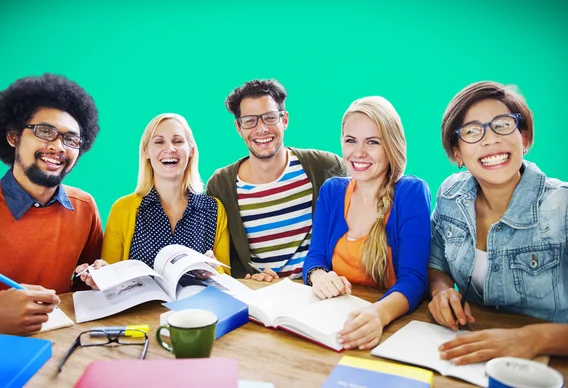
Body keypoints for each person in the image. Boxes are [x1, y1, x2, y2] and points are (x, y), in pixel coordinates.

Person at [428, 81, 568, 365]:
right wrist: (441, 291)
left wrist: (533, 339)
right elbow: (437, 264)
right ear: (457, 153)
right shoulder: (451, 195)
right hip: (473, 351)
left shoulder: (562, 207)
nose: (490, 140)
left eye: (503, 125)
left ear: (524, 138)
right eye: (472, 131)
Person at [0, 73, 102, 335]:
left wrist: (97, 279)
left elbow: (82, 287)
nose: (58, 146)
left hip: (62, 347)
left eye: (71, 139)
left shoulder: (85, 208)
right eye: (45, 131)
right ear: (13, 136)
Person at [302, 96, 431, 350]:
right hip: (334, 325)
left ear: (391, 146)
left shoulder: (410, 192)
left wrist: (378, 315)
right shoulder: (332, 191)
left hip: (391, 328)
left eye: (372, 142)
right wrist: (318, 276)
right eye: (351, 140)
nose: (358, 153)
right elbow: (315, 256)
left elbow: (415, 279)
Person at [206, 79, 347, 280]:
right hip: (262, 299)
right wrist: (248, 279)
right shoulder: (220, 185)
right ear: (239, 128)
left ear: (285, 120)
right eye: (249, 121)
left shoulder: (326, 167)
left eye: (270, 118)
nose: (261, 129)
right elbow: (227, 256)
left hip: (320, 290)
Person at [77, 113, 230, 288]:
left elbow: (228, 279)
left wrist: (213, 271)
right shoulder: (123, 209)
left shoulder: (214, 209)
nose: (170, 148)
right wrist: (101, 276)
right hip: (141, 313)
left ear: (192, 150)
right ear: (146, 151)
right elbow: (110, 275)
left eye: (178, 141)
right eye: (159, 142)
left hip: (197, 313)